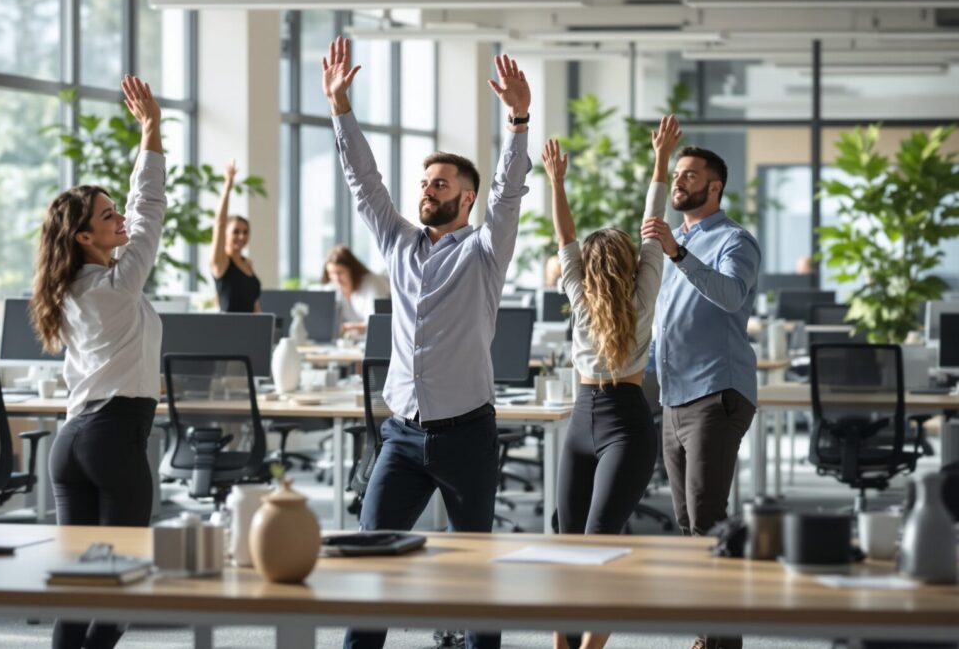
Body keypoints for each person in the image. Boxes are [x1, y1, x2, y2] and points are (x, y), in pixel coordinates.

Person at [323, 36, 531, 649]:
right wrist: (340, 108)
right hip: (403, 436)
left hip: (466, 434)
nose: (427, 191)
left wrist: (518, 123)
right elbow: (364, 182)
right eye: (426, 183)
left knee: (475, 575)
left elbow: (509, 194)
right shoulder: (397, 245)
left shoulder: (485, 252)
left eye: (440, 185)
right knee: (369, 561)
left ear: (466, 198)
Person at [29, 75, 166, 649]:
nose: (122, 221)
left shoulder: (67, 288)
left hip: (73, 443)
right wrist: (152, 131)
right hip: (112, 439)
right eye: (109, 217)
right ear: (84, 236)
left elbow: (139, 214)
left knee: (79, 593)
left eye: (116, 213)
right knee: (117, 590)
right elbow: (151, 206)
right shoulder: (117, 284)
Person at [544, 117, 677, 649]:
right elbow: (652, 219)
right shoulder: (633, 287)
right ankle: (563, 644)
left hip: (618, 426)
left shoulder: (594, 292)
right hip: (590, 421)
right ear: (625, 263)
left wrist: (557, 182)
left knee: (596, 543)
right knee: (569, 541)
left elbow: (565, 236)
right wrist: (660, 159)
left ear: (594, 268)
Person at [642, 145, 761, 649]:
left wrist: (677, 254)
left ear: (715, 187)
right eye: (676, 175)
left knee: (708, 518)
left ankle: (724, 641)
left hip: (717, 391)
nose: (679, 182)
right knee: (690, 522)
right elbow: (663, 325)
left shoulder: (733, 240)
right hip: (674, 395)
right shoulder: (680, 238)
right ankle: (707, 635)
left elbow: (732, 296)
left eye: (690, 175)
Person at [210, 158, 261, 312]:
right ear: (226, 234)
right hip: (229, 331)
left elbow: (255, 306)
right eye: (236, 232)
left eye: (245, 232)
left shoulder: (248, 264)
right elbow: (219, 223)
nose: (241, 236)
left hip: (251, 331)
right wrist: (227, 188)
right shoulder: (221, 263)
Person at [321, 245, 389, 335]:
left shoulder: (372, 283)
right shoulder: (333, 288)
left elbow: (379, 321)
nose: (336, 278)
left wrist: (349, 327)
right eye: (331, 273)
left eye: (340, 272)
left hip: (378, 337)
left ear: (352, 270)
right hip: (350, 343)